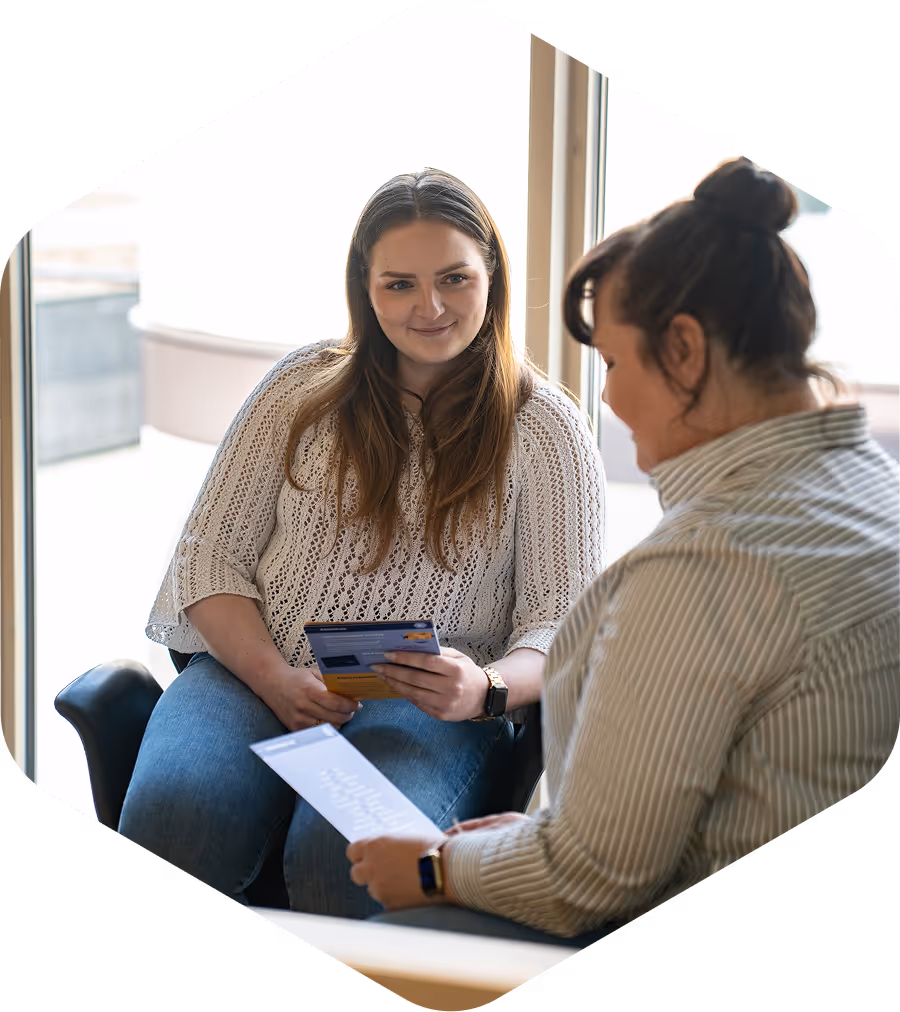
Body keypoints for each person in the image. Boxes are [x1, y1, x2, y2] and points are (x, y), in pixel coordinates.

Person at [347, 156, 900, 946]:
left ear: (683, 350)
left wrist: (436, 869)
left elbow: (596, 877)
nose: (605, 395)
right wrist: (539, 833)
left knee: (396, 923)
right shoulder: (869, 486)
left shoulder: (704, 570)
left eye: (612, 360)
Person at [117, 168, 608, 916]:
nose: (431, 308)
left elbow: (562, 622)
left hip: (427, 702)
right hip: (252, 670)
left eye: (454, 278)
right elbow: (209, 560)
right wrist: (275, 678)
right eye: (399, 284)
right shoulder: (300, 387)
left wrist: (486, 688)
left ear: (493, 276)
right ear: (364, 287)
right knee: (174, 818)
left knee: (341, 858)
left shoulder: (546, 429)